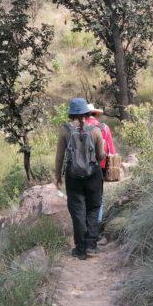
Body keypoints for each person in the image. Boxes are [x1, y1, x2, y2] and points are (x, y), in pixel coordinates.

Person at [55, 97, 105, 260]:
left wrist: (57, 176)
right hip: (93, 175)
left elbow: (59, 157)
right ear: (86, 112)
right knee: (93, 208)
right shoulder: (95, 130)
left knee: (77, 211)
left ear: (71, 113)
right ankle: (91, 246)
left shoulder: (65, 131)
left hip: (73, 177)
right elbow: (101, 156)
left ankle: (80, 249)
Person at [85, 103, 116, 226]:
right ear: (96, 114)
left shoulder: (78, 128)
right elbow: (111, 152)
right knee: (98, 197)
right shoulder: (103, 127)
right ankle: (96, 225)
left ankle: (84, 225)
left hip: (80, 168)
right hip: (99, 167)